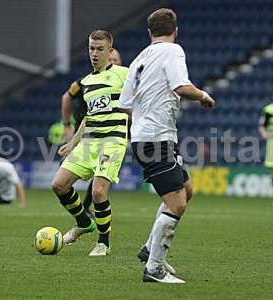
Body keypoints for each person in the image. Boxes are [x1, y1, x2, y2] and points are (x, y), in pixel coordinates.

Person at [119, 8, 215, 283]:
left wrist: (145, 118)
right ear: (176, 30)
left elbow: (125, 105)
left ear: (150, 33)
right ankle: (154, 268)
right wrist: (205, 96)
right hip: (156, 139)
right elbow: (181, 86)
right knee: (177, 204)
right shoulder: (173, 51)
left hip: (146, 137)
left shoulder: (139, 58)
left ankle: (150, 247)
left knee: (186, 189)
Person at [52, 31, 128, 256]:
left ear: (110, 50)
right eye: (91, 49)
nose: (94, 53)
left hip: (113, 141)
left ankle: (103, 242)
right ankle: (84, 222)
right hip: (89, 143)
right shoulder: (86, 82)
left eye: (100, 49)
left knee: (98, 192)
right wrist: (73, 142)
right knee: (59, 185)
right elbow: (89, 117)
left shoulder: (125, 74)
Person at [61, 48, 123, 217]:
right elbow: (66, 97)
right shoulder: (83, 82)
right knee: (63, 181)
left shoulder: (123, 79)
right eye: (111, 59)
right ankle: (83, 213)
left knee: (100, 178)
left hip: (109, 133)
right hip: (85, 130)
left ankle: (86, 209)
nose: (114, 62)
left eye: (116, 60)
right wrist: (67, 125)